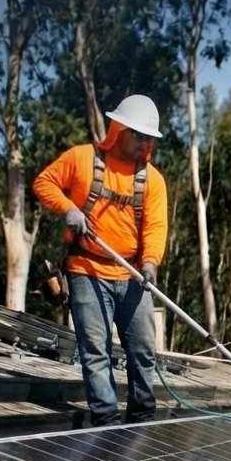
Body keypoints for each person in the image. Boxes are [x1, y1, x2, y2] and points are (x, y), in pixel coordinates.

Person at [33, 95, 167, 427]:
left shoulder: (152, 180)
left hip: (133, 274)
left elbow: (155, 226)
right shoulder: (81, 159)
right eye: (139, 135)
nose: (145, 143)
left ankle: (142, 419)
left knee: (143, 352)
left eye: (150, 138)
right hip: (86, 269)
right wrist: (69, 209)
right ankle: (106, 422)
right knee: (95, 349)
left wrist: (150, 263)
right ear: (119, 129)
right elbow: (43, 183)